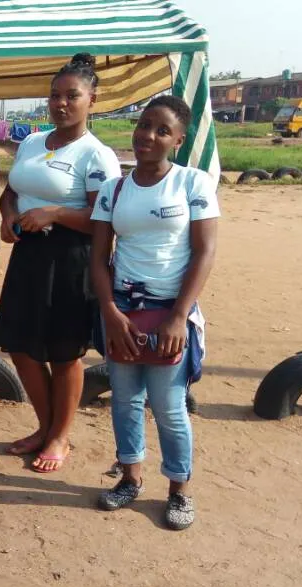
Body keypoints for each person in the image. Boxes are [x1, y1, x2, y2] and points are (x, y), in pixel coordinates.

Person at [90, 96, 219, 530]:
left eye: (162, 130)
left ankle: (180, 489)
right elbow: (98, 257)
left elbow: (204, 252)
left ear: (178, 140)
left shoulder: (192, 184)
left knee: (168, 405)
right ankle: (130, 477)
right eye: (144, 125)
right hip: (123, 312)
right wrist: (110, 311)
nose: (148, 135)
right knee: (125, 400)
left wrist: (179, 316)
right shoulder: (114, 189)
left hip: (170, 313)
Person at [0, 53, 121, 472]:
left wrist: (55, 213)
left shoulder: (96, 155)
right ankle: (45, 428)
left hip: (72, 259)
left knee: (64, 353)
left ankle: (60, 437)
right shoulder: (32, 142)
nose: (61, 103)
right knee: (21, 347)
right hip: (29, 254)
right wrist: (8, 216)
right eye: (54, 96)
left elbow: (104, 220)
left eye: (72, 96)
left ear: (91, 100)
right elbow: (11, 191)